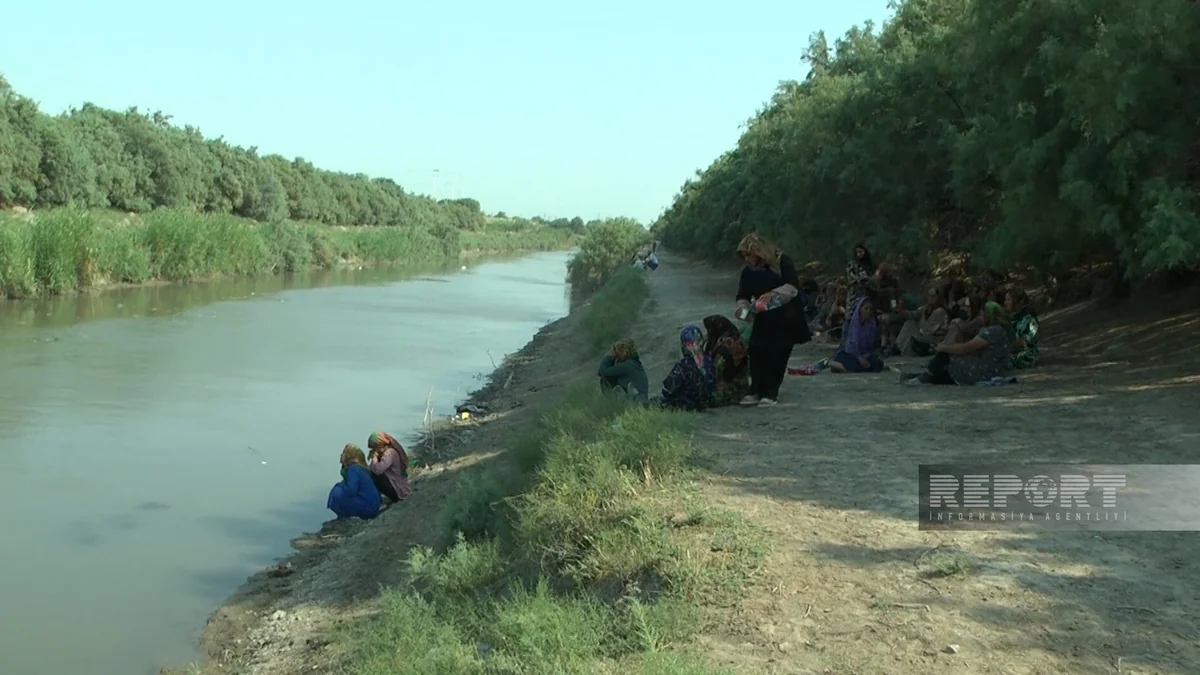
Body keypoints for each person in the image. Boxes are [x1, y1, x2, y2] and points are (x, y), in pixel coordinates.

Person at [734, 233, 810, 406]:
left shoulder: (782, 261)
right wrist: (743, 310)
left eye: (748, 254)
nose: (746, 259)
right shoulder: (747, 272)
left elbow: (792, 286)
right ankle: (755, 390)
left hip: (786, 316)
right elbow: (743, 295)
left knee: (778, 352)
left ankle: (770, 392)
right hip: (763, 317)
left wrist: (773, 293)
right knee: (757, 349)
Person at [902, 301, 1015, 386]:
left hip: (988, 370)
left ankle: (923, 376)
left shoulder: (993, 331)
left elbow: (966, 348)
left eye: (983, 315)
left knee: (946, 354)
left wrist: (945, 347)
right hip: (991, 368)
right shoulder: (998, 329)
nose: (981, 318)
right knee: (944, 373)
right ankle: (923, 376)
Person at [657, 324, 715, 411]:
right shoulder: (710, 361)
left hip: (687, 407)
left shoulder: (683, 366)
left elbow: (667, 390)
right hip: (706, 404)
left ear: (688, 345)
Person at [702, 314, 751, 406]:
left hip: (733, 392)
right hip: (740, 388)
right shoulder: (731, 339)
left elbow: (716, 372)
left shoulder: (725, 348)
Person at [829, 295, 885, 373]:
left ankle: (845, 368)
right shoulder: (849, 324)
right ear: (860, 309)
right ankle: (833, 364)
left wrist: (866, 356)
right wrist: (860, 358)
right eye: (866, 308)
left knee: (878, 365)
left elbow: (871, 346)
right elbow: (848, 345)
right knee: (853, 367)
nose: (868, 311)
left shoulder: (872, 324)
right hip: (848, 352)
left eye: (871, 309)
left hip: (864, 353)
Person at [327, 444, 381, 520]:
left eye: (343, 453)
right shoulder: (360, 468)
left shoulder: (353, 469)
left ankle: (345, 516)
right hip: (373, 505)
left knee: (337, 492)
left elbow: (351, 490)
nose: (341, 455)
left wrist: (340, 487)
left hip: (368, 508)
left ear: (349, 456)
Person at [895, 288, 950, 356]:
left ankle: (902, 350)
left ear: (939, 298)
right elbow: (914, 314)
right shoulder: (926, 307)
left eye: (933, 296)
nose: (930, 298)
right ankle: (897, 347)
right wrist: (903, 312)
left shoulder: (940, 311)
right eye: (929, 295)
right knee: (909, 323)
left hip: (934, 338)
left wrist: (916, 330)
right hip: (923, 332)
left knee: (912, 332)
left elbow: (929, 329)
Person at [367, 431, 412, 503]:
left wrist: (374, 458)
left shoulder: (389, 453)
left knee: (375, 476)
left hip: (397, 487)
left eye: (374, 447)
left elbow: (378, 470)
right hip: (392, 483)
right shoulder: (384, 453)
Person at [1006, 289, 1040, 368]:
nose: (1005, 303)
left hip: (1026, 354)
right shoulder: (1011, 318)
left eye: (1008, 300)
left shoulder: (1029, 318)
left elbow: (1030, 339)